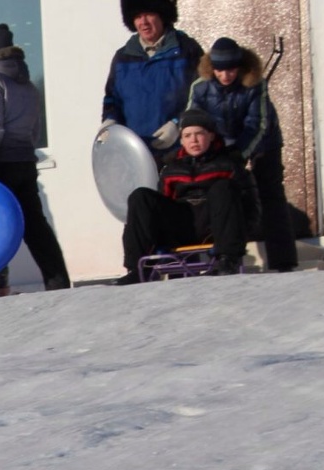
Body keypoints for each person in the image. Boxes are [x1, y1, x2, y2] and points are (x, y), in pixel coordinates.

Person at [0, 24, 71, 300]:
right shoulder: (27, 84)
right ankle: (58, 281)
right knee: (36, 227)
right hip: (25, 162)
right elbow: (33, 130)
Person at [188, 37, 297, 273]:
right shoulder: (200, 87)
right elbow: (194, 119)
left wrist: (241, 153)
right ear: (212, 68)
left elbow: (257, 124)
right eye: (220, 70)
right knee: (223, 195)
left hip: (263, 144)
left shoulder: (255, 85)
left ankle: (283, 260)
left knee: (270, 194)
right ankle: (226, 254)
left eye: (230, 70)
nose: (225, 75)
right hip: (223, 145)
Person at [117, 109, 255, 285]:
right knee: (140, 196)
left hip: (215, 227)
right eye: (188, 135)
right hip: (182, 226)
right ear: (181, 140)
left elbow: (251, 210)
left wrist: (238, 236)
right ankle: (136, 268)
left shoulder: (230, 165)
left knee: (223, 188)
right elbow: (160, 206)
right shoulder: (171, 169)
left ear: (211, 136)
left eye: (199, 134)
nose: (194, 140)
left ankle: (228, 261)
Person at [101, 1, 204, 165]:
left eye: (149, 14)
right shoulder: (122, 57)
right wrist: (110, 121)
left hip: (180, 153)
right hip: (137, 155)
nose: (143, 22)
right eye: (137, 16)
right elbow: (112, 98)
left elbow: (202, 97)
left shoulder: (187, 50)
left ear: (162, 15)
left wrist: (178, 124)